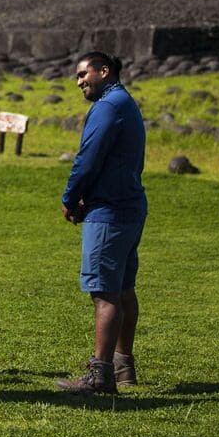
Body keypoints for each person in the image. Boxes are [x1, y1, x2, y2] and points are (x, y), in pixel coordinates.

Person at [56, 51, 147, 394]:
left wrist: (70, 196)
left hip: (110, 211)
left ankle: (100, 374)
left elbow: (88, 157)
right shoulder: (125, 103)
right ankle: (124, 365)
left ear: (104, 71)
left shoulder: (108, 107)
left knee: (104, 292)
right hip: (128, 206)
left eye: (84, 74)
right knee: (123, 288)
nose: (79, 81)